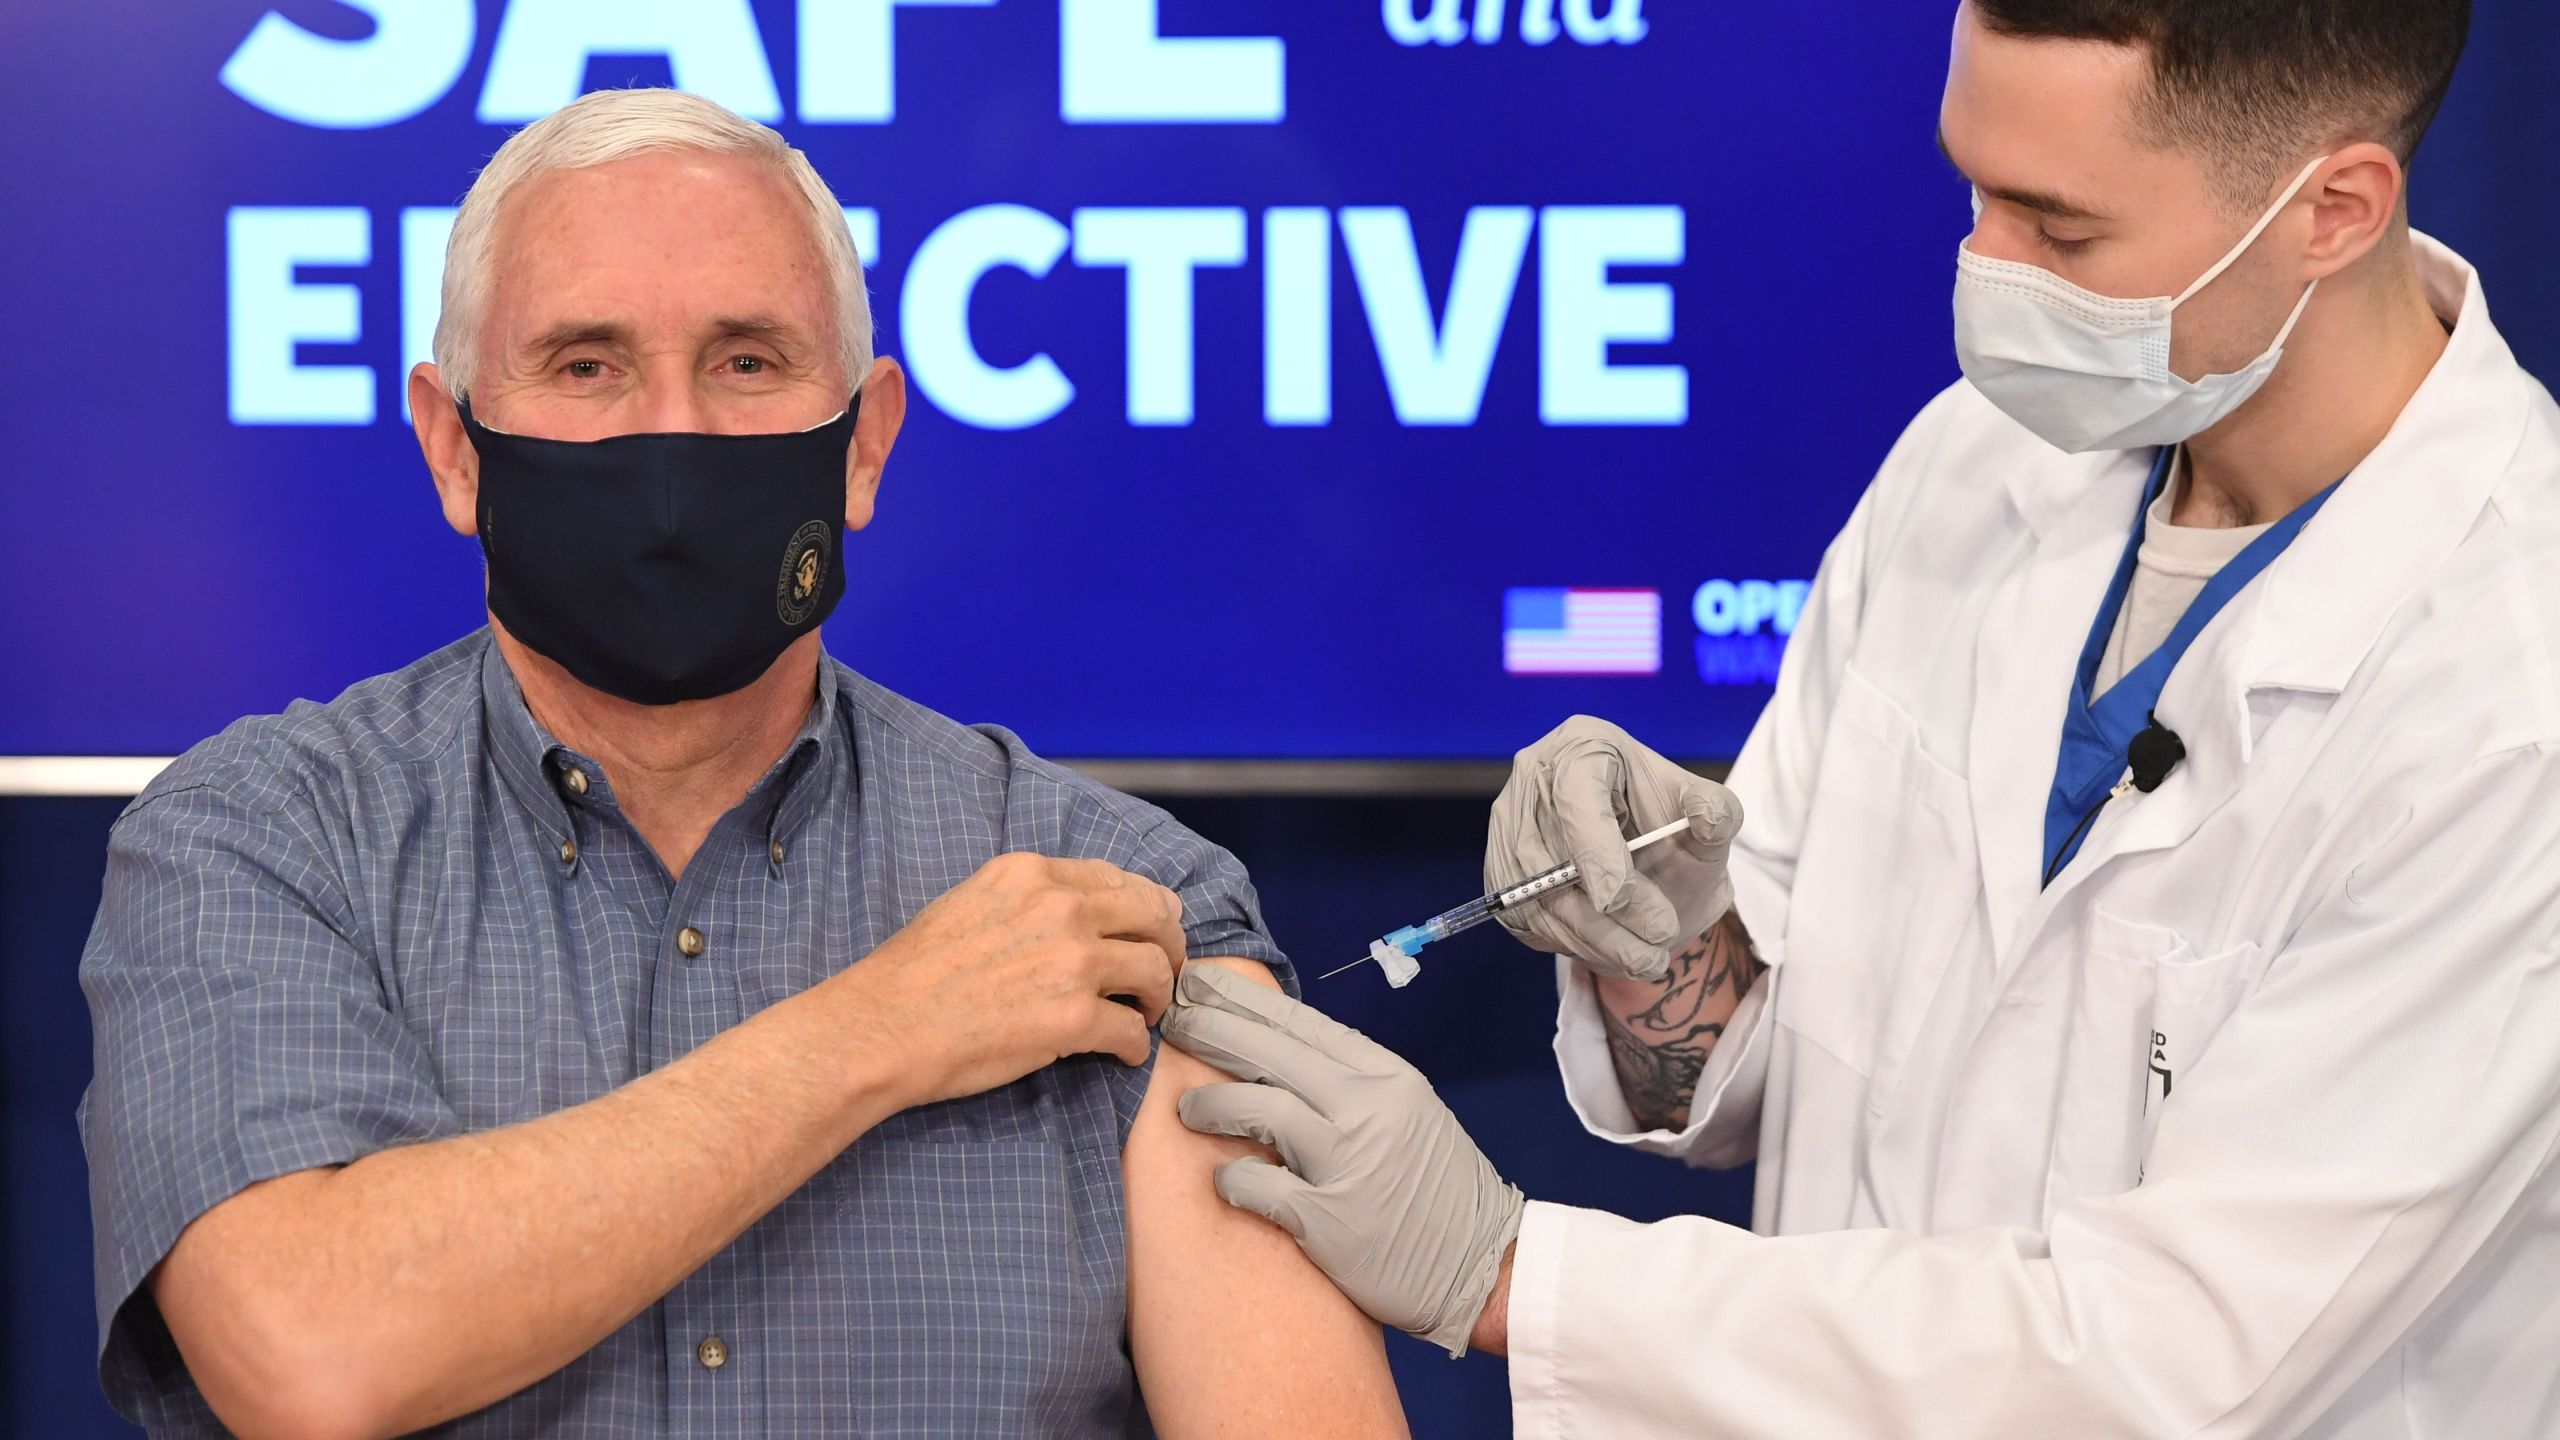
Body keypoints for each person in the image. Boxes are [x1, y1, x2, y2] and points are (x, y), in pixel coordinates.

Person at [1162, 2, 2560, 1435]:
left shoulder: (2511, 706)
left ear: (2333, 209)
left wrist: (1505, 1268)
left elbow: (2166, 1364)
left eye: (2059, 230)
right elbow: (1792, 1074)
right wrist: (1665, 946)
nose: (1982, 267)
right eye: (1971, 189)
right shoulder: (1983, 464)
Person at [79, 88, 1408, 1439]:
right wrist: (888, 1026)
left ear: (867, 445)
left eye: (749, 362)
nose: (677, 439)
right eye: (587, 364)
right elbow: (306, 1349)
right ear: (453, 447)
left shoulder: (1111, 902)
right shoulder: (264, 842)